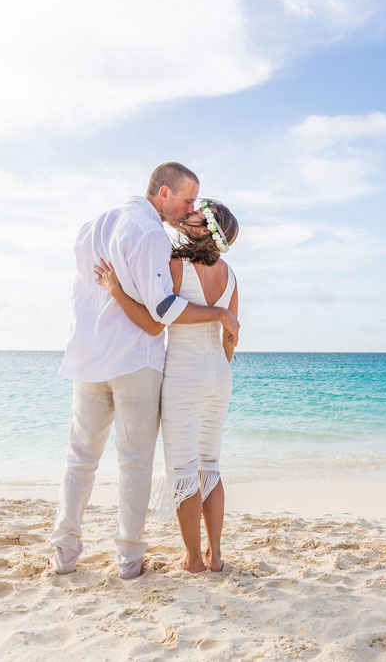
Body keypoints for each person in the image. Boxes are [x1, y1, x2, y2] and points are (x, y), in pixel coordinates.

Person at [49, 163, 239, 580]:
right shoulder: (155, 235)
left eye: (197, 208)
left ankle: (63, 554)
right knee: (145, 464)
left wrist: (114, 290)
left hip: (90, 355)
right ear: (165, 192)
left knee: (80, 458)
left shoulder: (92, 226)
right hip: (140, 361)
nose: (192, 209)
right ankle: (132, 560)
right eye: (189, 201)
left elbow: (89, 288)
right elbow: (160, 316)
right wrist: (221, 314)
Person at [95, 198, 238, 573]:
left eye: (195, 215)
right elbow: (230, 339)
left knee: (183, 469)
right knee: (211, 465)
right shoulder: (231, 275)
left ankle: (192, 560)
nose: (187, 216)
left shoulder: (176, 266)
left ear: (207, 228)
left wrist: (115, 290)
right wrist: (216, 368)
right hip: (220, 377)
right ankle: (216, 557)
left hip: (184, 376)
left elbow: (156, 322)